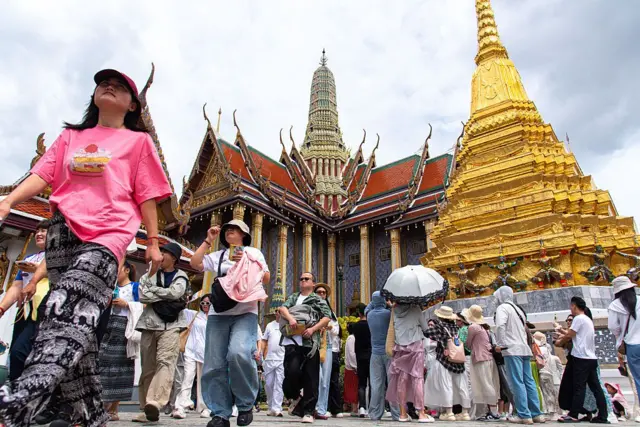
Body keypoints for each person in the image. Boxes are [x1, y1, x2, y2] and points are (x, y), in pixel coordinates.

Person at [0, 68, 172, 427]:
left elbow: (147, 196)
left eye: (121, 86)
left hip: (107, 235)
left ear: (132, 104)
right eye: (103, 83)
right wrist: (9, 200)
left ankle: (18, 402)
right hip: (63, 230)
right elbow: (42, 175)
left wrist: (153, 242)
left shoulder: (139, 143)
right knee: (79, 331)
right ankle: (91, 414)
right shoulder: (70, 137)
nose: (109, 87)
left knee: (63, 310)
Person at [190, 219, 270, 427]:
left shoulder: (254, 253)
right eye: (227, 230)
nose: (229, 233)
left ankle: (245, 404)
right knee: (214, 363)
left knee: (239, 352)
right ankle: (220, 413)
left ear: (244, 234)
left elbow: (267, 277)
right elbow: (195, 264)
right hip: (219, 313)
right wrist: (208, 240)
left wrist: (246, 262)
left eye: (234, 230)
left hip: (246, 312)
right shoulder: (218, 257)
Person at [135, 242, 191, 423]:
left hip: (171, 325)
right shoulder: (149, 274)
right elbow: (142, 295)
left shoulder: (181, 276)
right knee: (147, 367)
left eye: (164, 253)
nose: (160, 256)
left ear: (173, 258)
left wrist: (155, 292)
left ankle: (155, 402)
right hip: (149, 323)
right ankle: (146, 409)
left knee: (166, 362)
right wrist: (161, 291)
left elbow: (176, 293)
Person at [279, 272, 331, 423]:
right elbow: (282, 308)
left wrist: (313, 329)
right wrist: (290, 318)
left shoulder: (317, 299)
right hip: (292, 341)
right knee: (291, 372)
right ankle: (296, 398)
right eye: (301, 278)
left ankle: (308, 411)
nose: (302, 281)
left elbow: (326, 317)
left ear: (312, 284)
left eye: (306, 279)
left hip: (309, 342)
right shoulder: (294, 297)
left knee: (311, 377)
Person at [0, 220, 49, 381]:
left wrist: (37, 270)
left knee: (27, 353)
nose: (39, 234)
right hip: (25, 310)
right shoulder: (30, 257)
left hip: (44, 311)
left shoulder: (58, 258)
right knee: (15, 352)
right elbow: (16, 287)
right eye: (38, 231)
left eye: (44, 231)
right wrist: (2, 308)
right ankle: (15, 389)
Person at [493, 286, 545, 424]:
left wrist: (500, 343)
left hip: (512, 349)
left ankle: (524, 414)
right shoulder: (518, 309)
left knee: (517, 382)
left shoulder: (502, 308)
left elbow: (500, 326)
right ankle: (537, 413)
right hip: (524, 349)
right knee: (529, 381)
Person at [555, 297, 608, 423]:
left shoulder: (578, 319)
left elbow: (569, 335)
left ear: (574, 306)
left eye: (571, 306)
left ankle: (573, 414)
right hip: (590, 358)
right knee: (596, 387)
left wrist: (559, 342)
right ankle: (603, 415)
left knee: (579, 387)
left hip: (581, 358)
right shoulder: (587, 319)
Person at [99, 260, 140, 421]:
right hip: (107, 325)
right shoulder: (110, 286)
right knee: (101, 364)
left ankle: (114, 408)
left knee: (120, 367)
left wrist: (128, 304)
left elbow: (145, 305)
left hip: (124, 328)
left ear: (127, 270)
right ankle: (101, 405)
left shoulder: (135, 287)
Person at [386, 301, 433, 423]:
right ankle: (421, 413)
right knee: (417, 378)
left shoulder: (394, 311)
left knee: (402, 380)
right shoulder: (416, 309)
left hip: (400, 348)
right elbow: (426, 330)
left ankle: (402, 413)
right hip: (415, 347)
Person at [172, 295, 211, 419]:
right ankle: (180, 406)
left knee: (204, 381)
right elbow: (181, 309)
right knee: (187, 377)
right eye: (203, 303)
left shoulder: (216, 318)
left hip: (206, 353)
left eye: (208, 303)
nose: (205, 305)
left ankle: (205, 407)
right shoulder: (193, 315)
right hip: (191, 351)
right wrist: (186, 299)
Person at [366, 291, 399, 421]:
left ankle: (375, 413)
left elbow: (368, 308)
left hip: (375, 354)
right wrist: (389, 303)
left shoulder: (369, 315)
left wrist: (375, 301)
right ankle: (396, 413)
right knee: (392, 383)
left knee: (376, 384)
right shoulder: (388, 314)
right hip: (389, 352)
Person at [465, 305, 501, 421]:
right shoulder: (484, 328)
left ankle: (493, 411)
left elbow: (468, 344)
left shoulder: (473, 327)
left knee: (485, 384)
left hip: (480, 358)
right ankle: (491, 410)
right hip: (488, 358)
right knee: (489, 383)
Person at [609, 276, 640, 407]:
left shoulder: (615, 306)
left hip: (632, 345)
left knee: (638, 379)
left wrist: (620, 335)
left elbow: (613, 327)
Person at [313, 283, 341, 420]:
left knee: (325, 380)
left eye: (323, 293)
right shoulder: (311, 309)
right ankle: (312, 406)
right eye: (319, 292)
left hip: (327, 346)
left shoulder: (331, 313)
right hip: (313, 346)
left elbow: (337, 331)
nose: (321, 294)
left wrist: (329, 328)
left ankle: (322, 408)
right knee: (315, 378)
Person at [533, 332, 563, 418]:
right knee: (549, 393)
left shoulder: (540, 349)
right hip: (547, 374)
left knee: (547, 393)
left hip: (544, 373)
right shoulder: (543, 349)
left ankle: (551, 411)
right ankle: (551, 411)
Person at [349, 303, 371, 417]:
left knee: (361, 384)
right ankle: (372, 407)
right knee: (372, 383)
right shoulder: (371, 325)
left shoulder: (355, 326)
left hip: (360, 356)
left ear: (359, 313)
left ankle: (362, 407)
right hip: (371, 356)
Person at [262, 311, 285, 417]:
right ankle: (271, 406)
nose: (278, 314)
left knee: (279, 384)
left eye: (281, 312)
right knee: (269, 384)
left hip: (282, 359)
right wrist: (261, 354)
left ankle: (277, 408)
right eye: (277, 312)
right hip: (270, 359)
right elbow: (264, 340)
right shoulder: (270, 325)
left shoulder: (286, 325)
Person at [344, 325, 359, 416]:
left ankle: (354, 408)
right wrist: (355, 366)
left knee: (352, 388)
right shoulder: (352, 338)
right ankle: (354, 408)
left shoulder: (351, 338)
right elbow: (352, 353)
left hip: (350, 366)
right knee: (353, 388)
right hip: (352, 367)